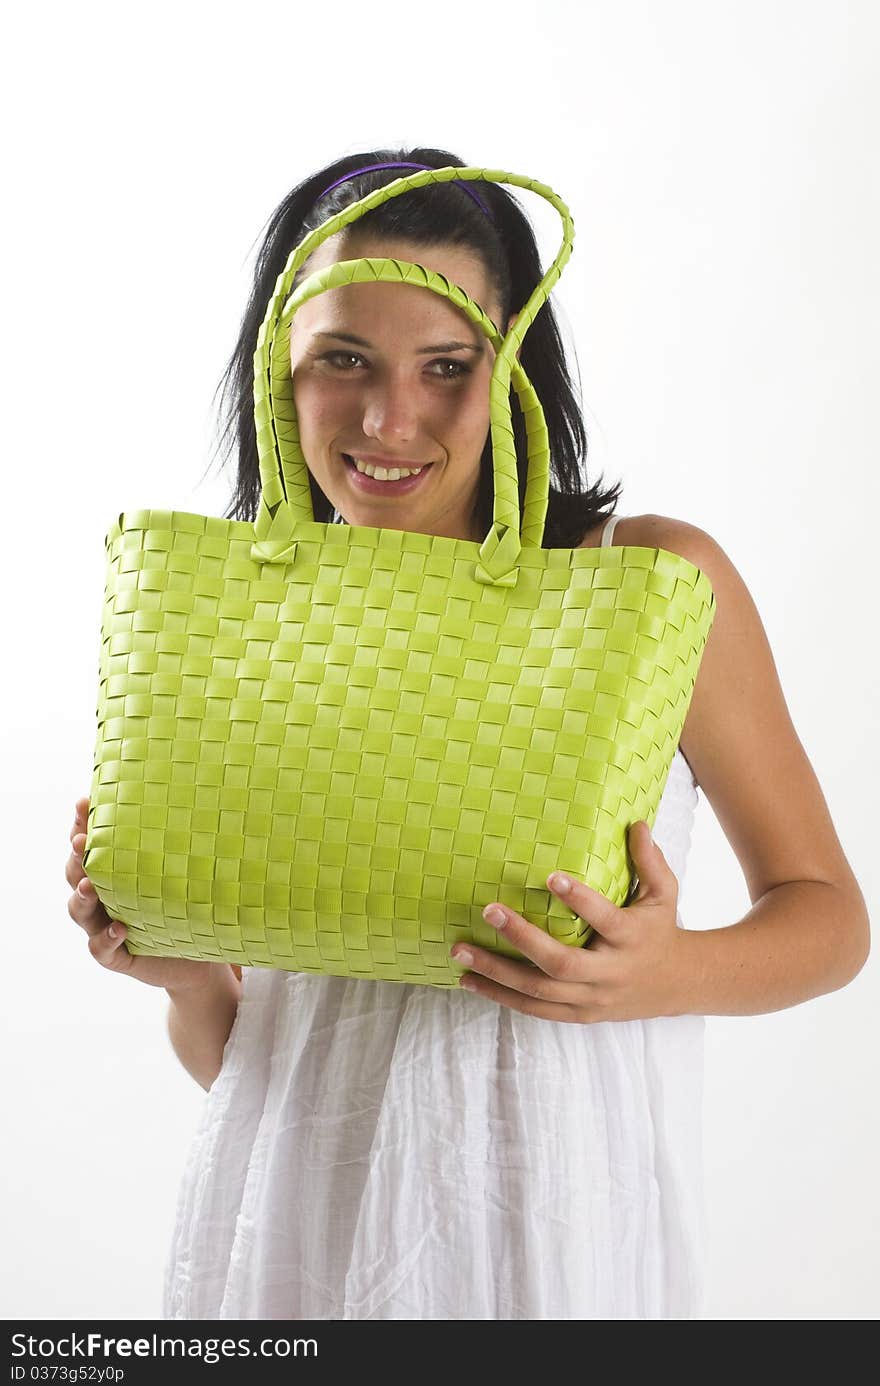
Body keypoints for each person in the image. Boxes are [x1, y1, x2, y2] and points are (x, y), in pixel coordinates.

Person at [65, 147, 870, 1320]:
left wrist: (667, 971)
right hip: (295, 1230)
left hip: (548, 1228)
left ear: (515, 372)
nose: (391, 418)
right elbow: (267, 1073)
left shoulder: (639, 584)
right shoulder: (248, 626)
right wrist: (190, 982)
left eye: (448, 366)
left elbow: (829, 916)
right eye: (344, 360)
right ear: (277, 369)